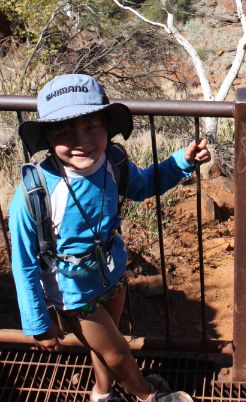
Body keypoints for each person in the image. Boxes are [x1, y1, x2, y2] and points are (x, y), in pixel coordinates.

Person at [9, 73, 211, 402]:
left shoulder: (113, 162)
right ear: (47, 136)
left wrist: (180, 163)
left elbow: (144, 185)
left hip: (111, 273)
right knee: (117, 352)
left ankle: (102, 394)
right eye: (64, 131)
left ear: (106, 126)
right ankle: (148, 396)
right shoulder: (35, 192)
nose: (81, 140)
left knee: (107, 343)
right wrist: (37, 321)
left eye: (92, 126)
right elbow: (24, 262)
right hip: (72, 291)